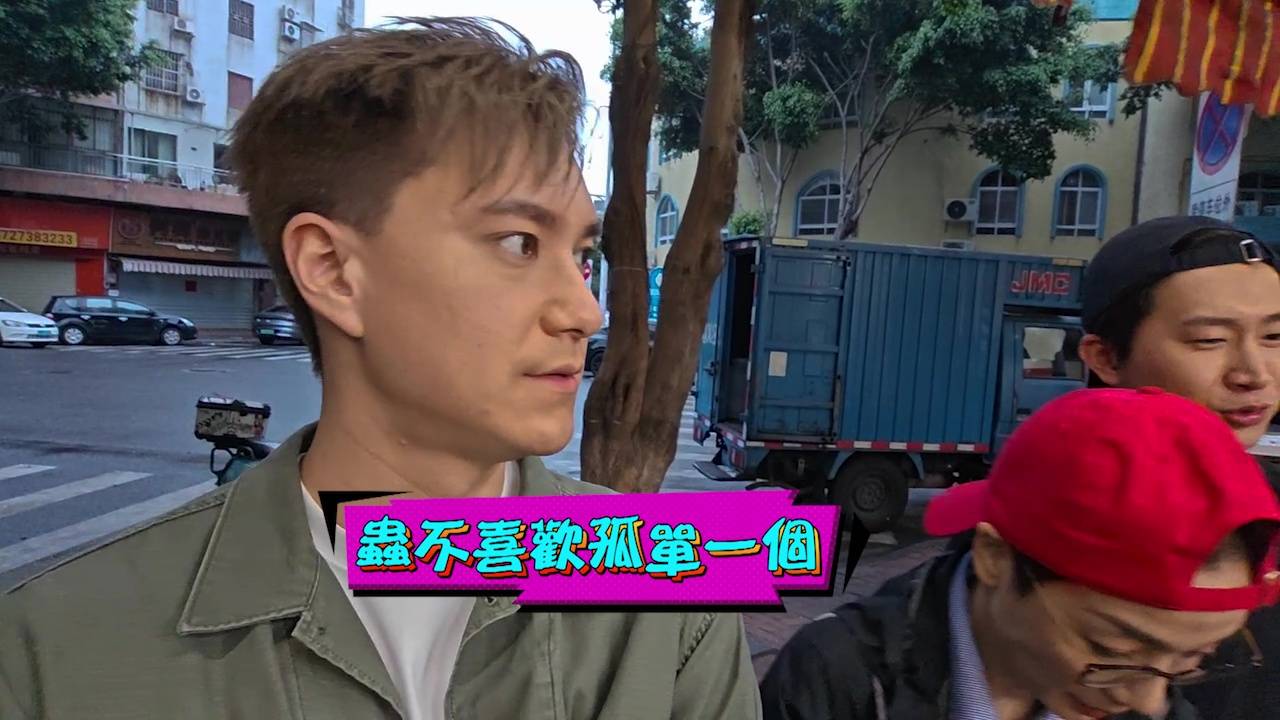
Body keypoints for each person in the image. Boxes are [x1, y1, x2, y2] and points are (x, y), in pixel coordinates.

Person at [0, 18, 761, 720]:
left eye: (581, 255)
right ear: (332, 270)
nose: (584, 312)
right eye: (518, 243)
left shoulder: (671, 603)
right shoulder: (55, 654)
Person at [758, 386, 1280, 720]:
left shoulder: (1153, 697)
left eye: (1193, 659)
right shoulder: (841, 680)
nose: (1145, 702)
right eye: (1114, 649)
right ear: (996, 557)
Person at [1074, 215, 1280, 720]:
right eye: (1209, 340)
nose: (1252, 374)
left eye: (1275, 336)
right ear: (1105, 357)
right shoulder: (1033, 527)